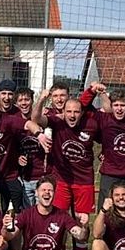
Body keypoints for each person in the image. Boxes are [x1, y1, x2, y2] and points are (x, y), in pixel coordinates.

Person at [33, 90, 99, 236]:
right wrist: (42, 99)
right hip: (62, 179)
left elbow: (107, 138)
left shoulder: (92, 125)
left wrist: (105, 152)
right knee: (57, 219)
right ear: (63, 112)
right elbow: (36, 118)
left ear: (82, 113)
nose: (72, 115)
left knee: (82, 221)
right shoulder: (57, 122)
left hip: (84, 181)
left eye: (76, 112)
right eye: (68, 111)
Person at [6, 177, 89, 250]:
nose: (47, 193)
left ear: (54, 194)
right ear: (36, 193)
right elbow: (9, 236)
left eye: (50, 190)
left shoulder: (62, 215)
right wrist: (6, 227)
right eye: (43, 190)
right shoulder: (27, 214)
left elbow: (81, 236)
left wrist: (84, 227)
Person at [80, 84, 125, 206]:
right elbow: (82, 106)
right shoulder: (103, 119)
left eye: (123, 105)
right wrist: (92, 91)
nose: (119, 109)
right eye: (116, 105)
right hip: (109, 175)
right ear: (111, 106)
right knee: (105, 212)